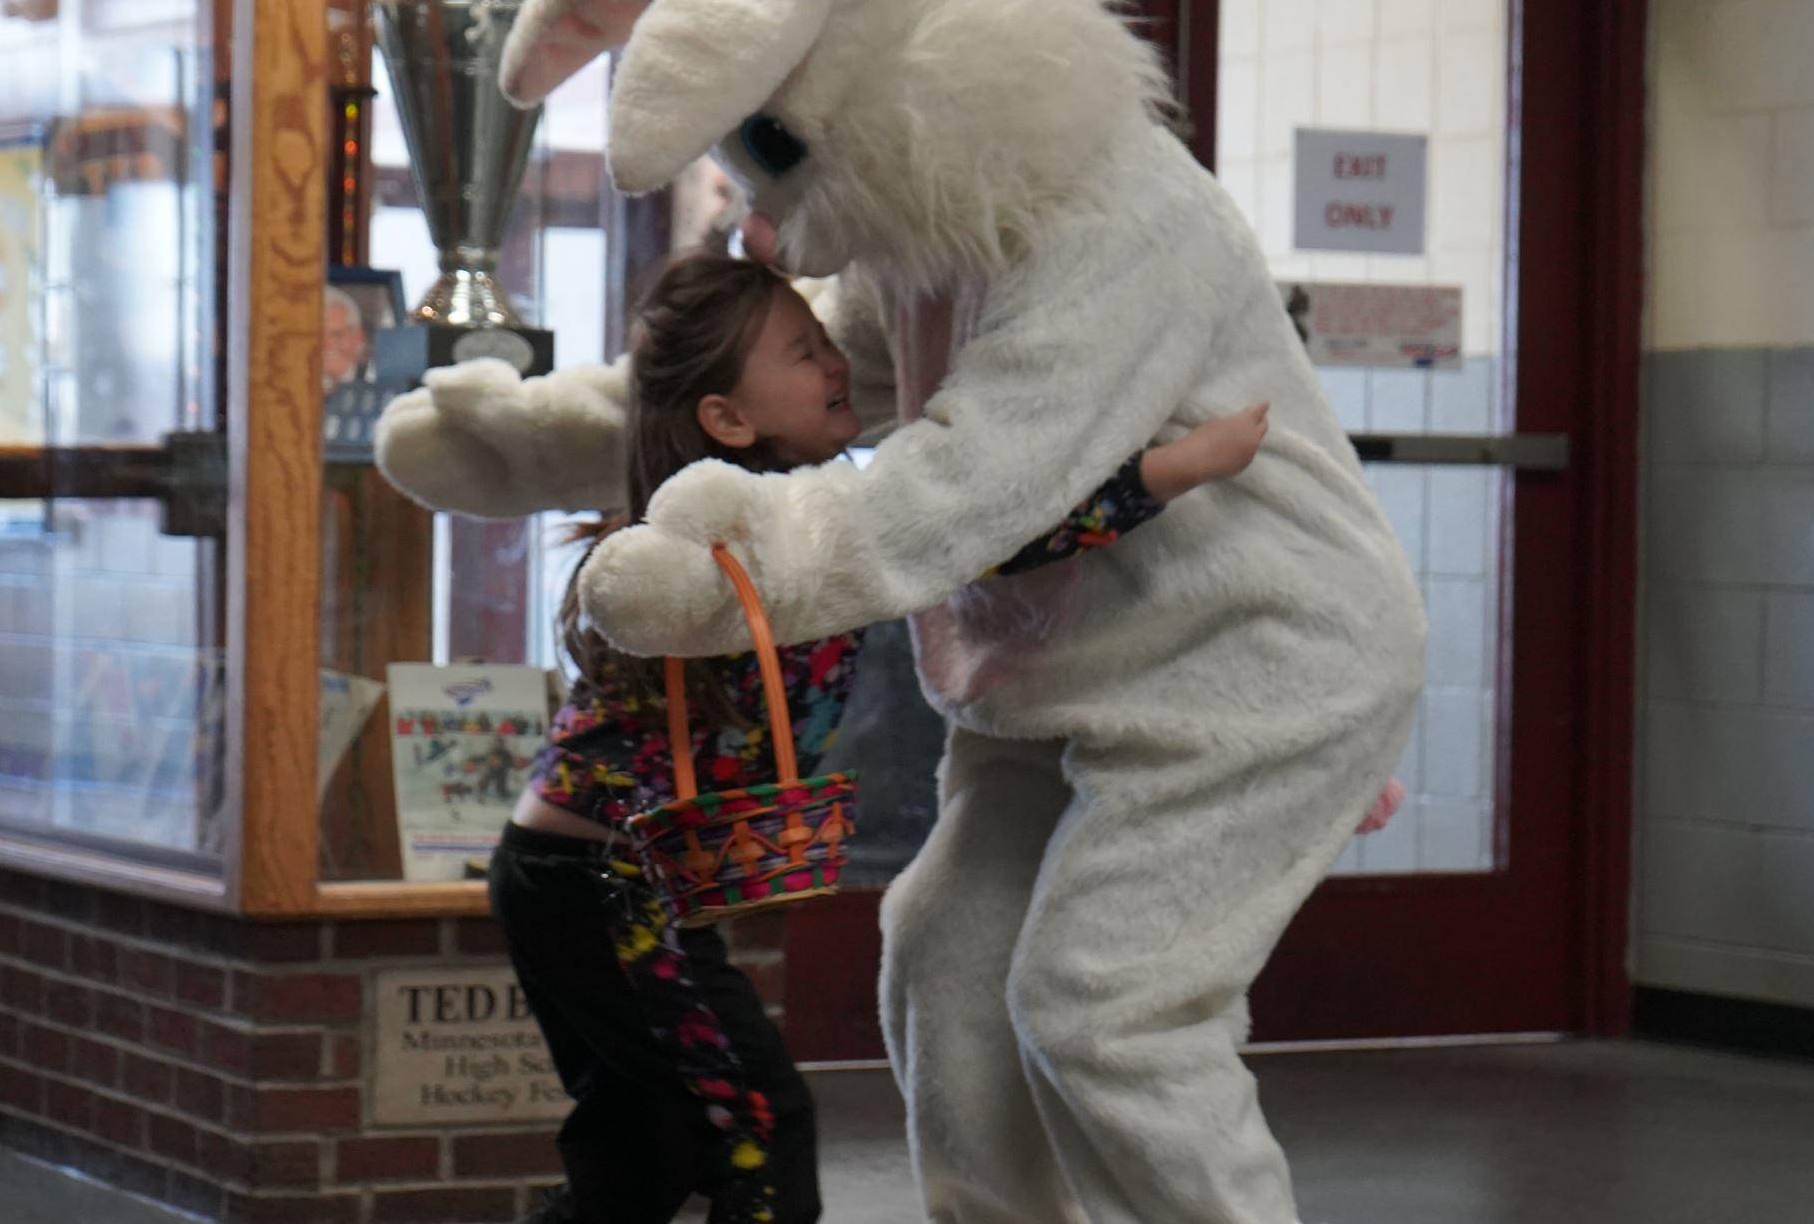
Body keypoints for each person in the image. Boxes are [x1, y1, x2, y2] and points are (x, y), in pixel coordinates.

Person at [489, 255, 1287, 1224]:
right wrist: (1176, 465)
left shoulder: (801, 501)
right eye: (802, 350)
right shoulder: (770, 524)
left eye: (826, 340)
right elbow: (986, 537)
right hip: (602, 881)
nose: (836, 363)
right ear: (729, 420)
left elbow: (962, 529)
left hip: (581, 871)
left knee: (643, 1141)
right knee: (757, 1124)